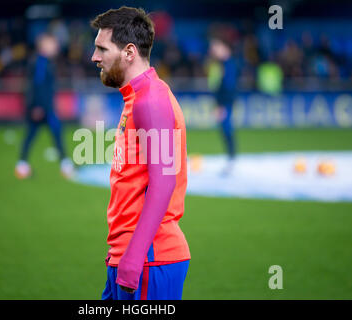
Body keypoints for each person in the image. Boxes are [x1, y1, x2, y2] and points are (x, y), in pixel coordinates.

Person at [90, 6, 190, 300]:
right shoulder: (137, 96)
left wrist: (133, 260)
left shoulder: (151, 101)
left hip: (149, 259)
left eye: (101, 48)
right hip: (129, 257)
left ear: (129, 52)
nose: (94, 57)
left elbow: (163, 184)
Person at [15, 33, 74, 179]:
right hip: (42, 108)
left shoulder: (45, 62)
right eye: (52, 43)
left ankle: (23, 165)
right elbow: (37, 85)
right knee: (49, 134)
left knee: (39, 134)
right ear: (44, 45)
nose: (56, 46)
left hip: (45, 107)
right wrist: (37, 107)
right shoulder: (40, 62)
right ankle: (65, 166)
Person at [209, 36, 238, 175]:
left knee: (226, 129)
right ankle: (231, 159)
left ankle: (231, 160)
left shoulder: (228, 65)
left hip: (225, 103)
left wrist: (221, 105)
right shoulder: (221, 65)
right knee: (225, 129)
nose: (213, 51)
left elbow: (228, 86)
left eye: (216, 47)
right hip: (223, 103)